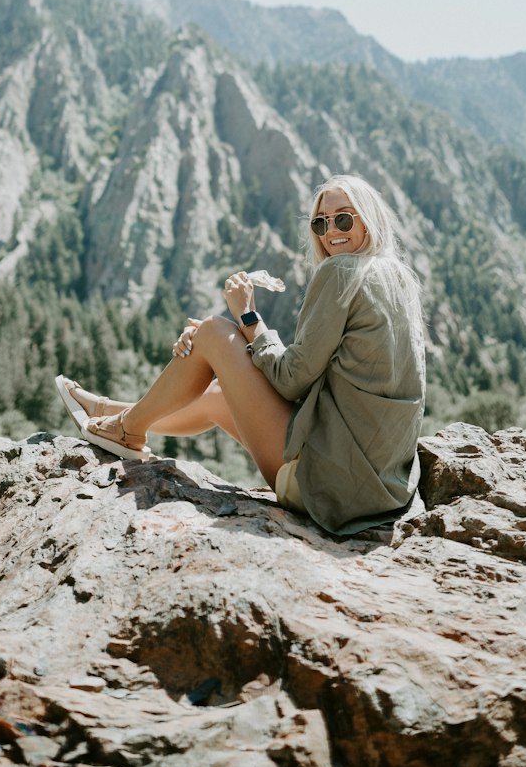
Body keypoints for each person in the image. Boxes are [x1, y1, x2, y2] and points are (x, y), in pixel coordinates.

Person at [56, 173, 426, 535]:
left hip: (331, 488)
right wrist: (227, 353)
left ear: (369, 219)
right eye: (320, 223)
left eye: (343, 218)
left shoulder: (342, 271)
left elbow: (292, 379)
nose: (331, 232)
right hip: (382, 487)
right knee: (218, 395)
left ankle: (126, 431)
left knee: (216, 330)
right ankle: (111, 413)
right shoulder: (398, 277)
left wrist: (246, 319)